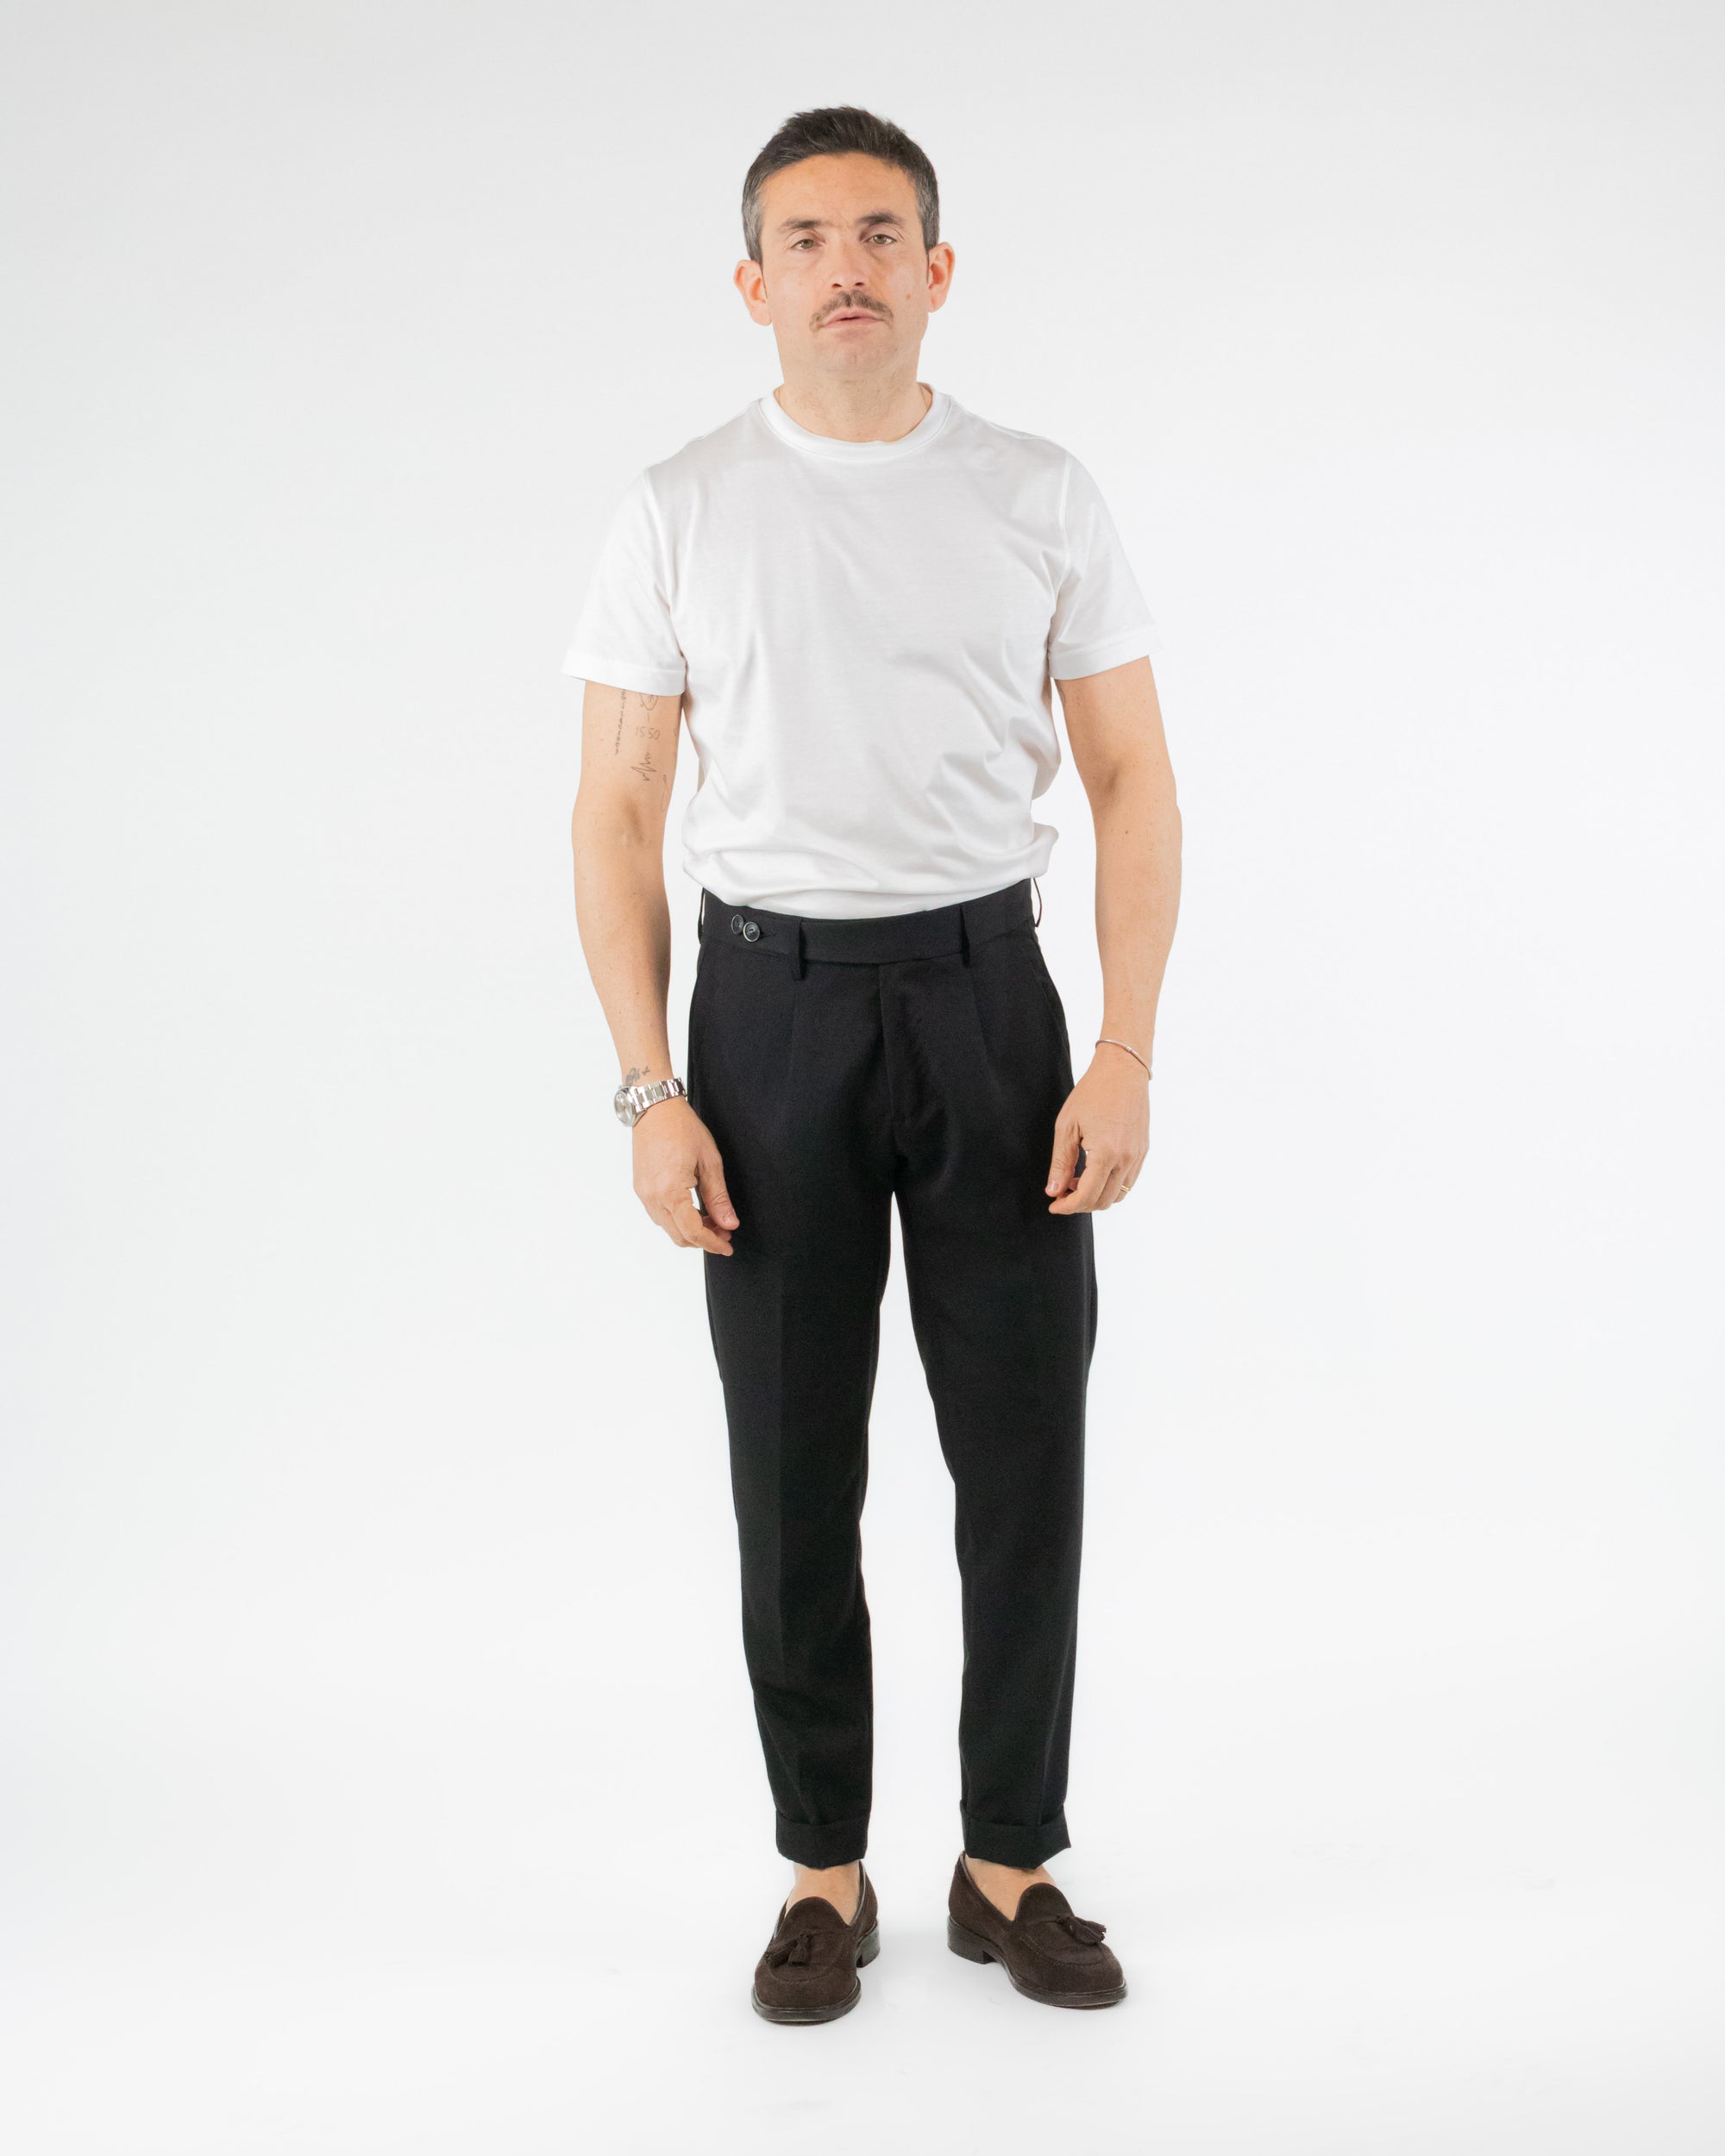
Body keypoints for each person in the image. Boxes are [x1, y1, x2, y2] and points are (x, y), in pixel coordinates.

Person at [565, 104, 1181, 2021]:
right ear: (752, 284)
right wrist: (650, 1086)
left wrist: (1126, 1047)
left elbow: (1132, 776)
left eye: (882, 232)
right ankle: (821, 1865)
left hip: (992, 999)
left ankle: (1010, 1860)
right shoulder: (680, 505)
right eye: (809, 238)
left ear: (938, 269)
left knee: (1025, 1447)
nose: (849, 266)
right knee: (791, 1457)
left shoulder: (1037, 491)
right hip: (766, 1017)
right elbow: (617, 806)